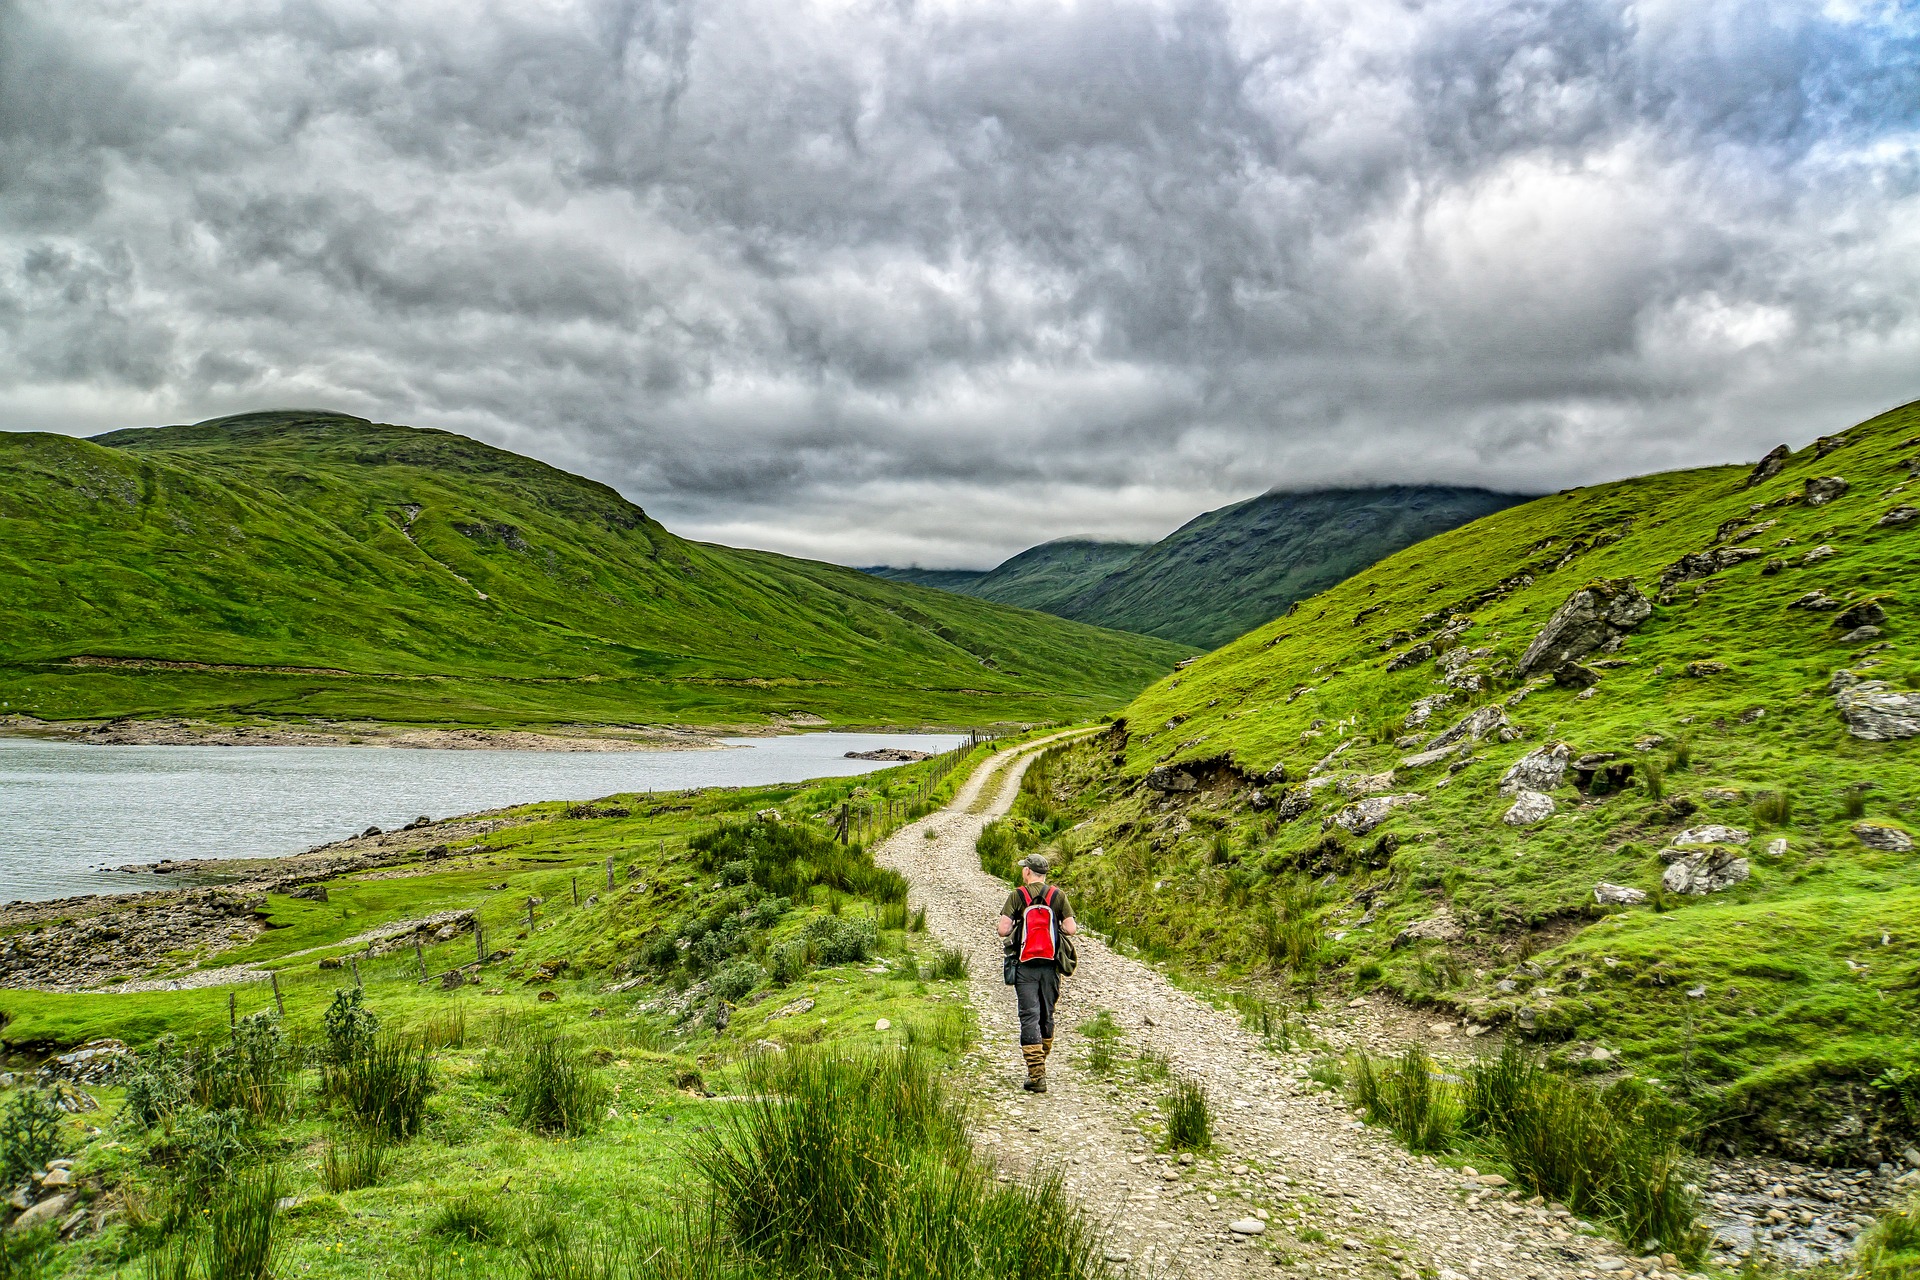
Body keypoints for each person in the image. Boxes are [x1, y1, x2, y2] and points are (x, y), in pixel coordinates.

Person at [997, 853, 1077, 1092]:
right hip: (1051, 966)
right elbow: (1071, 929)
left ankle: (1036, 1073)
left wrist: (1016, 925)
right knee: (1046, 1014)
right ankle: (1040, 1064)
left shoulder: (1018, 895)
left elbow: (1003, 930)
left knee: (1029, 1015)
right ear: (1045, 874)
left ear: (1027, 872)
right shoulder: (1057, 895)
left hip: (1025, 966)